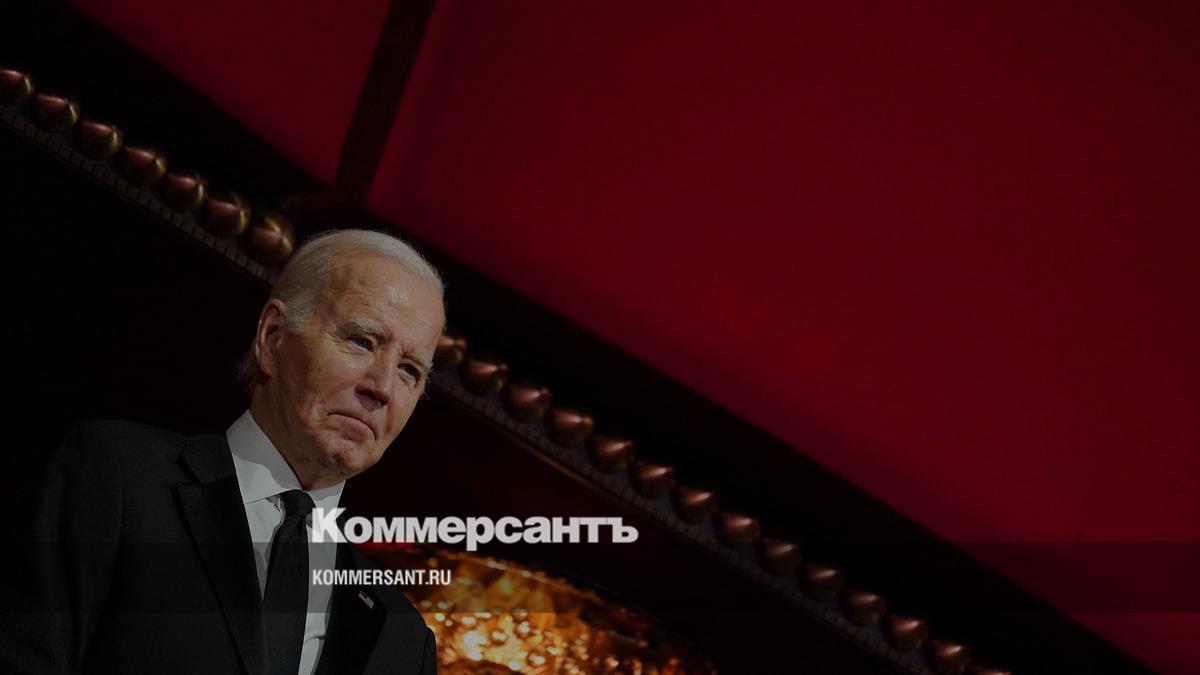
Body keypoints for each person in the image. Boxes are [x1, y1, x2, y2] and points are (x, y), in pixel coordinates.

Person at [0, 229, 445, 674]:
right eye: (361, 341)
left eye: (409, 370)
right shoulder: (119, 477)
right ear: (273, 337)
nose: (383, 388)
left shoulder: (404, 641)